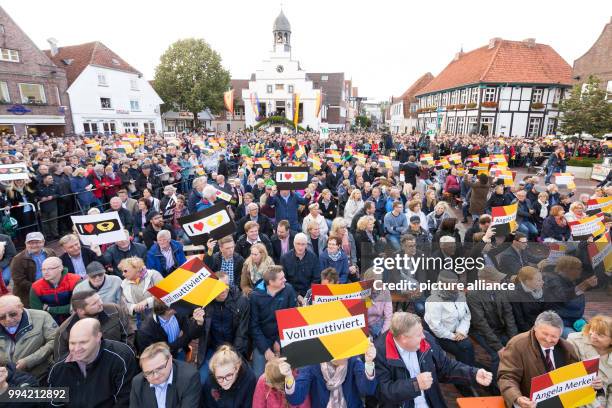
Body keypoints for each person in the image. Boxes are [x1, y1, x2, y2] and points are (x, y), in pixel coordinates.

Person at [375, 312, 492, 407]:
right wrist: (415, 385)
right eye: (418, 335)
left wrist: (473, 374)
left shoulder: (426, 340)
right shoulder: (378, 352)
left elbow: (445, 367)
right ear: (403, 338)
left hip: (432, 401)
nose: (424, 337)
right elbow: (383, 392)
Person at [48, 318, 138, 408]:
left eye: (83, 342)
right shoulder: (59, 369)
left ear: (98, 337)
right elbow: (56, 404)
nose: (76, 348)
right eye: (72, 343)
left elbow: (126, 401)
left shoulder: (121, 357)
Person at [498, 311, 579, 408]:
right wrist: (517, 398)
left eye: (554, 336)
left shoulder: (567, 348)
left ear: (560, 335)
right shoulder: (517, 344)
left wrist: (592, 383)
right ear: (535, 328)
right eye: (545, 334)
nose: (548, 340)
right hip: (530, 404)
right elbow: (507, 377)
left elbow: (576, 376)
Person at [424, 270, 477, 396]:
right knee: (464, 349)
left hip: (458, 331)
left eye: (457, 283)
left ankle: (468, 376)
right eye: (453, 284)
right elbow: (436, 327)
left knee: (466, 347)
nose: (457, 286)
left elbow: (466, 316)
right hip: (438, 334)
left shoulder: (460, 295)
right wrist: (453, 336)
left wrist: (461, 331)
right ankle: (464, 382)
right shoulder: (433, 300)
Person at [467, 266, 518, 390]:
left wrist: (514, 338)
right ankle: (495, 387)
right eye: (495, 280)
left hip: (499, 328)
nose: (499, 282)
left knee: (515, 348)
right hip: (481, 331)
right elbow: (481, 324)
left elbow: (508, 315)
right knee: (497, 355)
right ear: (484, 280)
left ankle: (513, 379)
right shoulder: (473, 295)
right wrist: (498, 346)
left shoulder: (500, 290)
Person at [281, 343, 378, 408]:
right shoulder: (312, 364)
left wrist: (369, 363)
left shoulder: (353, 360)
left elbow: (368, 389)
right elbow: (296, 399)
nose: (346, 356)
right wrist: (289, 377)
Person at [197, 272, 250, 382]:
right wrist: (198, 324)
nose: (224, 289)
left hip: (234, 348)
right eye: (219, 286)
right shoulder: (204, 302)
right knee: (202, 381)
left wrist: (234, 355)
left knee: (246, 379)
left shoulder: (241, 301)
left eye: (226, 285)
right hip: (212, 349)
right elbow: (195, 333)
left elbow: (242, 333)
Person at [53, 290, 133, 361]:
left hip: (120, 358)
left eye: (99, 299)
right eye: (94, 303)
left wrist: (125, 356)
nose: (101, 303)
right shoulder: (65, 331)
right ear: (81, 311)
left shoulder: (115, 310)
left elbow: (128, 335)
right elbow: (61, 360)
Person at [250, 266, 297, 377]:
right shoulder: (255, 296)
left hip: (283, 337)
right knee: (259, 376)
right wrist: (266, 350)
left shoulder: (288, 290)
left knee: (288, 373)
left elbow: (291, 319)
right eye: (281, 279)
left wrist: (279, 341)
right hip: (263, 340)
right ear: (271, 282)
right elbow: (254, 326)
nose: (285, 280)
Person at [0, 295, 57, 379]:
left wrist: (30, 361)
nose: (8, 319)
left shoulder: (42, 317)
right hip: (8, 379)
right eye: (2, 317)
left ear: (21, 308)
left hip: (41, 375)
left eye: (13, 314)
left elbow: (54, 340)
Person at [130, 342, 201, 407]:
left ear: (170, 359)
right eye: (149, 373)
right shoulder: (138, 383)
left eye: (160, 368)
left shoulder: (189, 378)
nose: (156, 376)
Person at [546, 255, 597, 338]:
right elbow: (561, 296)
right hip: (559, 323)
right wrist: (583, 286)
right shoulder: (553, 280)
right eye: (578, 268)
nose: (580, 271)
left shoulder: (571, 280)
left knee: (597, 335)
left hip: (576, 320)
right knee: (575, 339)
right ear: (567, 269)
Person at [567, 315, 611, 408]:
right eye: (592, 330)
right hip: (578, 396)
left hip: (603, 397)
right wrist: (596, 406)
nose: (592, 335)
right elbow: (572, 378)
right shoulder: (575, 341)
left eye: (600, 335)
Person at [136, 300, 203, 358]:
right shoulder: (145, 331)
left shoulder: (179, 313)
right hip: (164, 361)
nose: (181, 305)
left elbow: (191, 334)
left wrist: (199, 323)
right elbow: (149, 355)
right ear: (169, 311)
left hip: (181, 352)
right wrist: (182, 339)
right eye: (177, 304)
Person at [29, 256, 81, 325]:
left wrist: (49, 309)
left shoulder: (75, 280)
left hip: (74, 319)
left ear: (61, 268)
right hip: (49, 322)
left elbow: (75, 308)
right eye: (43, 269)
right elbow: (38, 314)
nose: (45, 272)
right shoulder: (36, 287)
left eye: (50, 269)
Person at [10, 231, 56, 307]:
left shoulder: (50, 252)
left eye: (37, 242)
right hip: (28, 293)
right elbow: (18, 280)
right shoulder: (18, 259)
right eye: (30, 243)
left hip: (51, 288)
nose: (34, 245)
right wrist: (38, 287)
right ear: (25, 244)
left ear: (43, 242)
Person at [119, 256, 163, 329]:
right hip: (139, 323)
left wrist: (146, 302)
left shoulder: (153, 275)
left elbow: (163, 293)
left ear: (136, 269)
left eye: (125, 271)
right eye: (122, 271)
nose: (123, 274)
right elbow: (124, 304)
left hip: (159, 317)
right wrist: (134, 307)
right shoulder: (124, 283)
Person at [510, 266, 549, 332]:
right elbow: (520, 321)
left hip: (543, 324)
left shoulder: (542, 289)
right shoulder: (515, 295)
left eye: (542, 279)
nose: (543, 282)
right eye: (539, 280)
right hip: (529, 329)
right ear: (527, 282)